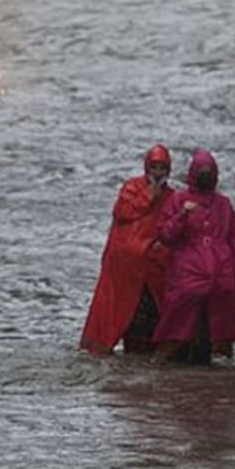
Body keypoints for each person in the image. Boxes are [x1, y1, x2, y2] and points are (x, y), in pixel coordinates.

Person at [152, 150, 235, 364]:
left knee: (226, 297)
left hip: (220, 269)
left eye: (209, 172)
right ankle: (166, 352)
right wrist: (182, 215)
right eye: (201, 172)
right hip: (188, 268)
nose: (205, 177)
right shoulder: (179, 199)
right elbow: (165, 235)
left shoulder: (223, 204)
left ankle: (221, 353)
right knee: (182, 301)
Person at [80, 144, 176, 356]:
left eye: (162, 168)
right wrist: (149, 195)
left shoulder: (171, 197)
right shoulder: (132, 188)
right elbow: (122, 212)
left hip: (154, 268)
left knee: (152, 313)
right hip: (127, 267)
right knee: (123, 312)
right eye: (154, 167)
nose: (157, 173)